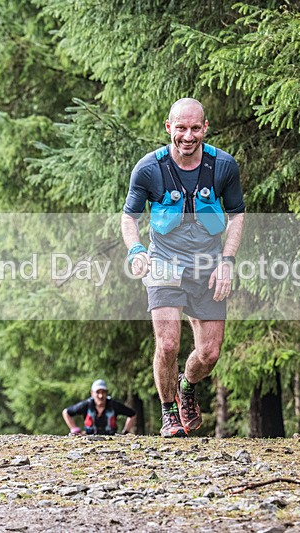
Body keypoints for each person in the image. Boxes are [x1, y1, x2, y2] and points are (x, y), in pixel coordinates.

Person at [120, 98, 245, 438]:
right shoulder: (149, 168)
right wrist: (136, 250)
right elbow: (129, 218)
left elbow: (237, 215)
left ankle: (186, 386)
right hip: (163, 262)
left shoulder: (223, 166)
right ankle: (169, 412)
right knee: (168, 344)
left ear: (205, 128)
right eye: (181, 128)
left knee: (209, 353)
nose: (188, 136)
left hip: (208, 265)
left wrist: (227, 261)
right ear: (168, 128)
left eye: (194, 128)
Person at [62, 379, 137, 435]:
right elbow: (66, 412)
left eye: (103, 392)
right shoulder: (86, 405)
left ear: (106, 393)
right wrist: (74, 429)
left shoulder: (114, 405)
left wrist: (125, 432)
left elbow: (132, 414)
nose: (101, 396)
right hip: (90, 438)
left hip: (111, 438)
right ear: (92, 393)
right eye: (98, 392)